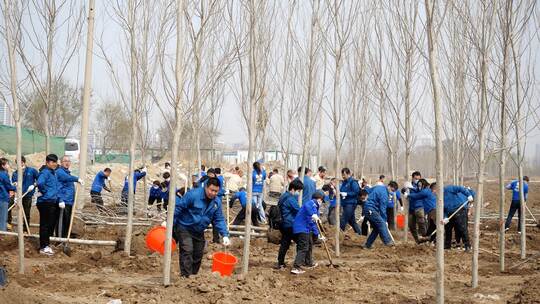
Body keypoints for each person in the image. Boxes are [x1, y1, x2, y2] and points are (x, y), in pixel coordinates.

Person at [173, 177, 230, 277]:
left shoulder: (216, 202)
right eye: (211, 190)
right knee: (187, 250)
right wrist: (169, 223)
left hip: (198, 230)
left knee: (198, 254)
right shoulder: (193, 195)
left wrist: (224, 234)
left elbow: (219, 219)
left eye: (216, 191)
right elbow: (179, 208)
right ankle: (186, 277)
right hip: (184, 227)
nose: (213, 193)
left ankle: (193, 276)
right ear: (206, 187)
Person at [291, 190, 323, 274]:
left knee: (309, 244)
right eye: (322, 200)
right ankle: (296, 267)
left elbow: (313, 223)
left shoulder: (315, 207)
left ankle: (308, 262)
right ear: (319, 199)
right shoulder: (312, 203)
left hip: (306, 229)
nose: (321, 202)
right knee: (303, 247)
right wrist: (313, 214)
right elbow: (308, 207)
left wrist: (317, 234)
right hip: (301, 229)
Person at [276, 179, 303, 270]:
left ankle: (281, 263)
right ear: (293, 189)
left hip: (283, 223)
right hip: (289, 224)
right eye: (298, 191)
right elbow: (299, 210)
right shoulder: (291, 199)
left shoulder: (284, 196)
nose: (298, 193)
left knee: (285, 243)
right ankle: (298, 264)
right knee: (302, 243)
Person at [36, 154, 61, 255]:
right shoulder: (45, 172)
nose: (55, 164)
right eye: (52, 162)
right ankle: (43, 247)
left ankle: (46, 244)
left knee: (49, 224)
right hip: (45, 201)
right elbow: (40, 183)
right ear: (47, 163)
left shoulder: (53, 173)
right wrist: (45, 192)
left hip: (51, 201)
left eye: (55, 162)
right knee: (45, 225)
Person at [362, 181, 398, 249]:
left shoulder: (379, 187)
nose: (391, 192)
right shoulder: (385, 194)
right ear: (389, 186)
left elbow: (368, 190)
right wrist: (384, 220)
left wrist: (365, 198)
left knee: (377, 228)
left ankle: (367, 245)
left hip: (368, 207)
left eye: (393, 191)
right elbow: (382, 209)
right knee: (381, 223)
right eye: (392, 190)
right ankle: (388, 242)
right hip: (371, 209)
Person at [56, 156, 83, 237]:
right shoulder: (60, 171)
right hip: (63, 201)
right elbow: (66, 178)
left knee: (67, 220)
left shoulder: (67, 172)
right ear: (61, 162)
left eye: (68, 161)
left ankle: (65, 236)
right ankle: (60, 239)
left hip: (69, 201)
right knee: (62, 221)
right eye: (65, 161)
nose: (67, 163)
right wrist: (77, 179)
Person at [9, 156, 39, 231]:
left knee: (26, 212)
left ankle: (26, 229)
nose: (19, 164)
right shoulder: (15, 173)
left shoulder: (32, 171)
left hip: (27, 194)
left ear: (23, 162)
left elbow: (39, 179)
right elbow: (14, 184)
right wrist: (15, 195)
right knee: (10, 206)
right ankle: (9, 223)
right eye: (17, 163)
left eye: (20, 162)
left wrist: (34, 186)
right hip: (18, 195)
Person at [442, 185, 474, 251]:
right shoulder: (438, 197)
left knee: (462, 228)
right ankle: (447, 245)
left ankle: (467, 245)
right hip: (448, 213)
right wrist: (445, 217)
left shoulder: (449, 188)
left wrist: (468, 195)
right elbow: (442, 209)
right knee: (448, 229)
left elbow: (460, 188)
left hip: (459, 209)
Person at [404, 178, 429, 243]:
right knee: (411, 225)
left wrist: (409, 194)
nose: (419, 186)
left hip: (420, 208)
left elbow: (417, 195)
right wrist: (407, 188)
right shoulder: (415, 187)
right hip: (411, 209)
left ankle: (425, 238)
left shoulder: (425, 190)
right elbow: (404, 190)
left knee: (421, 224)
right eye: (418, 185)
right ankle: (417, 240)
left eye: (420, 185)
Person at [339, 168, 361, 235]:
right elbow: (342, 190)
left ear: (348, 174)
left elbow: (356, 192)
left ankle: (339, 234)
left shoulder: (353, 182)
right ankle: (359, 233)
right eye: (342, 175)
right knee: (352, 221)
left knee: (343, 219)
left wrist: (347, 194)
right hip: (345, 203)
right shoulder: (344, 182)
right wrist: (341, 194)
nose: (343, 176)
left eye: (344, 175)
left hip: (351, 204)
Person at [0, 158, 15, 231]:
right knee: (3, 217)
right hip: (2, 197)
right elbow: (8, 185)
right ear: (3, 165)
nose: (9, 165)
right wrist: (16, 187)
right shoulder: (3, 174)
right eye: (7, 164)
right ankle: (2, 233)